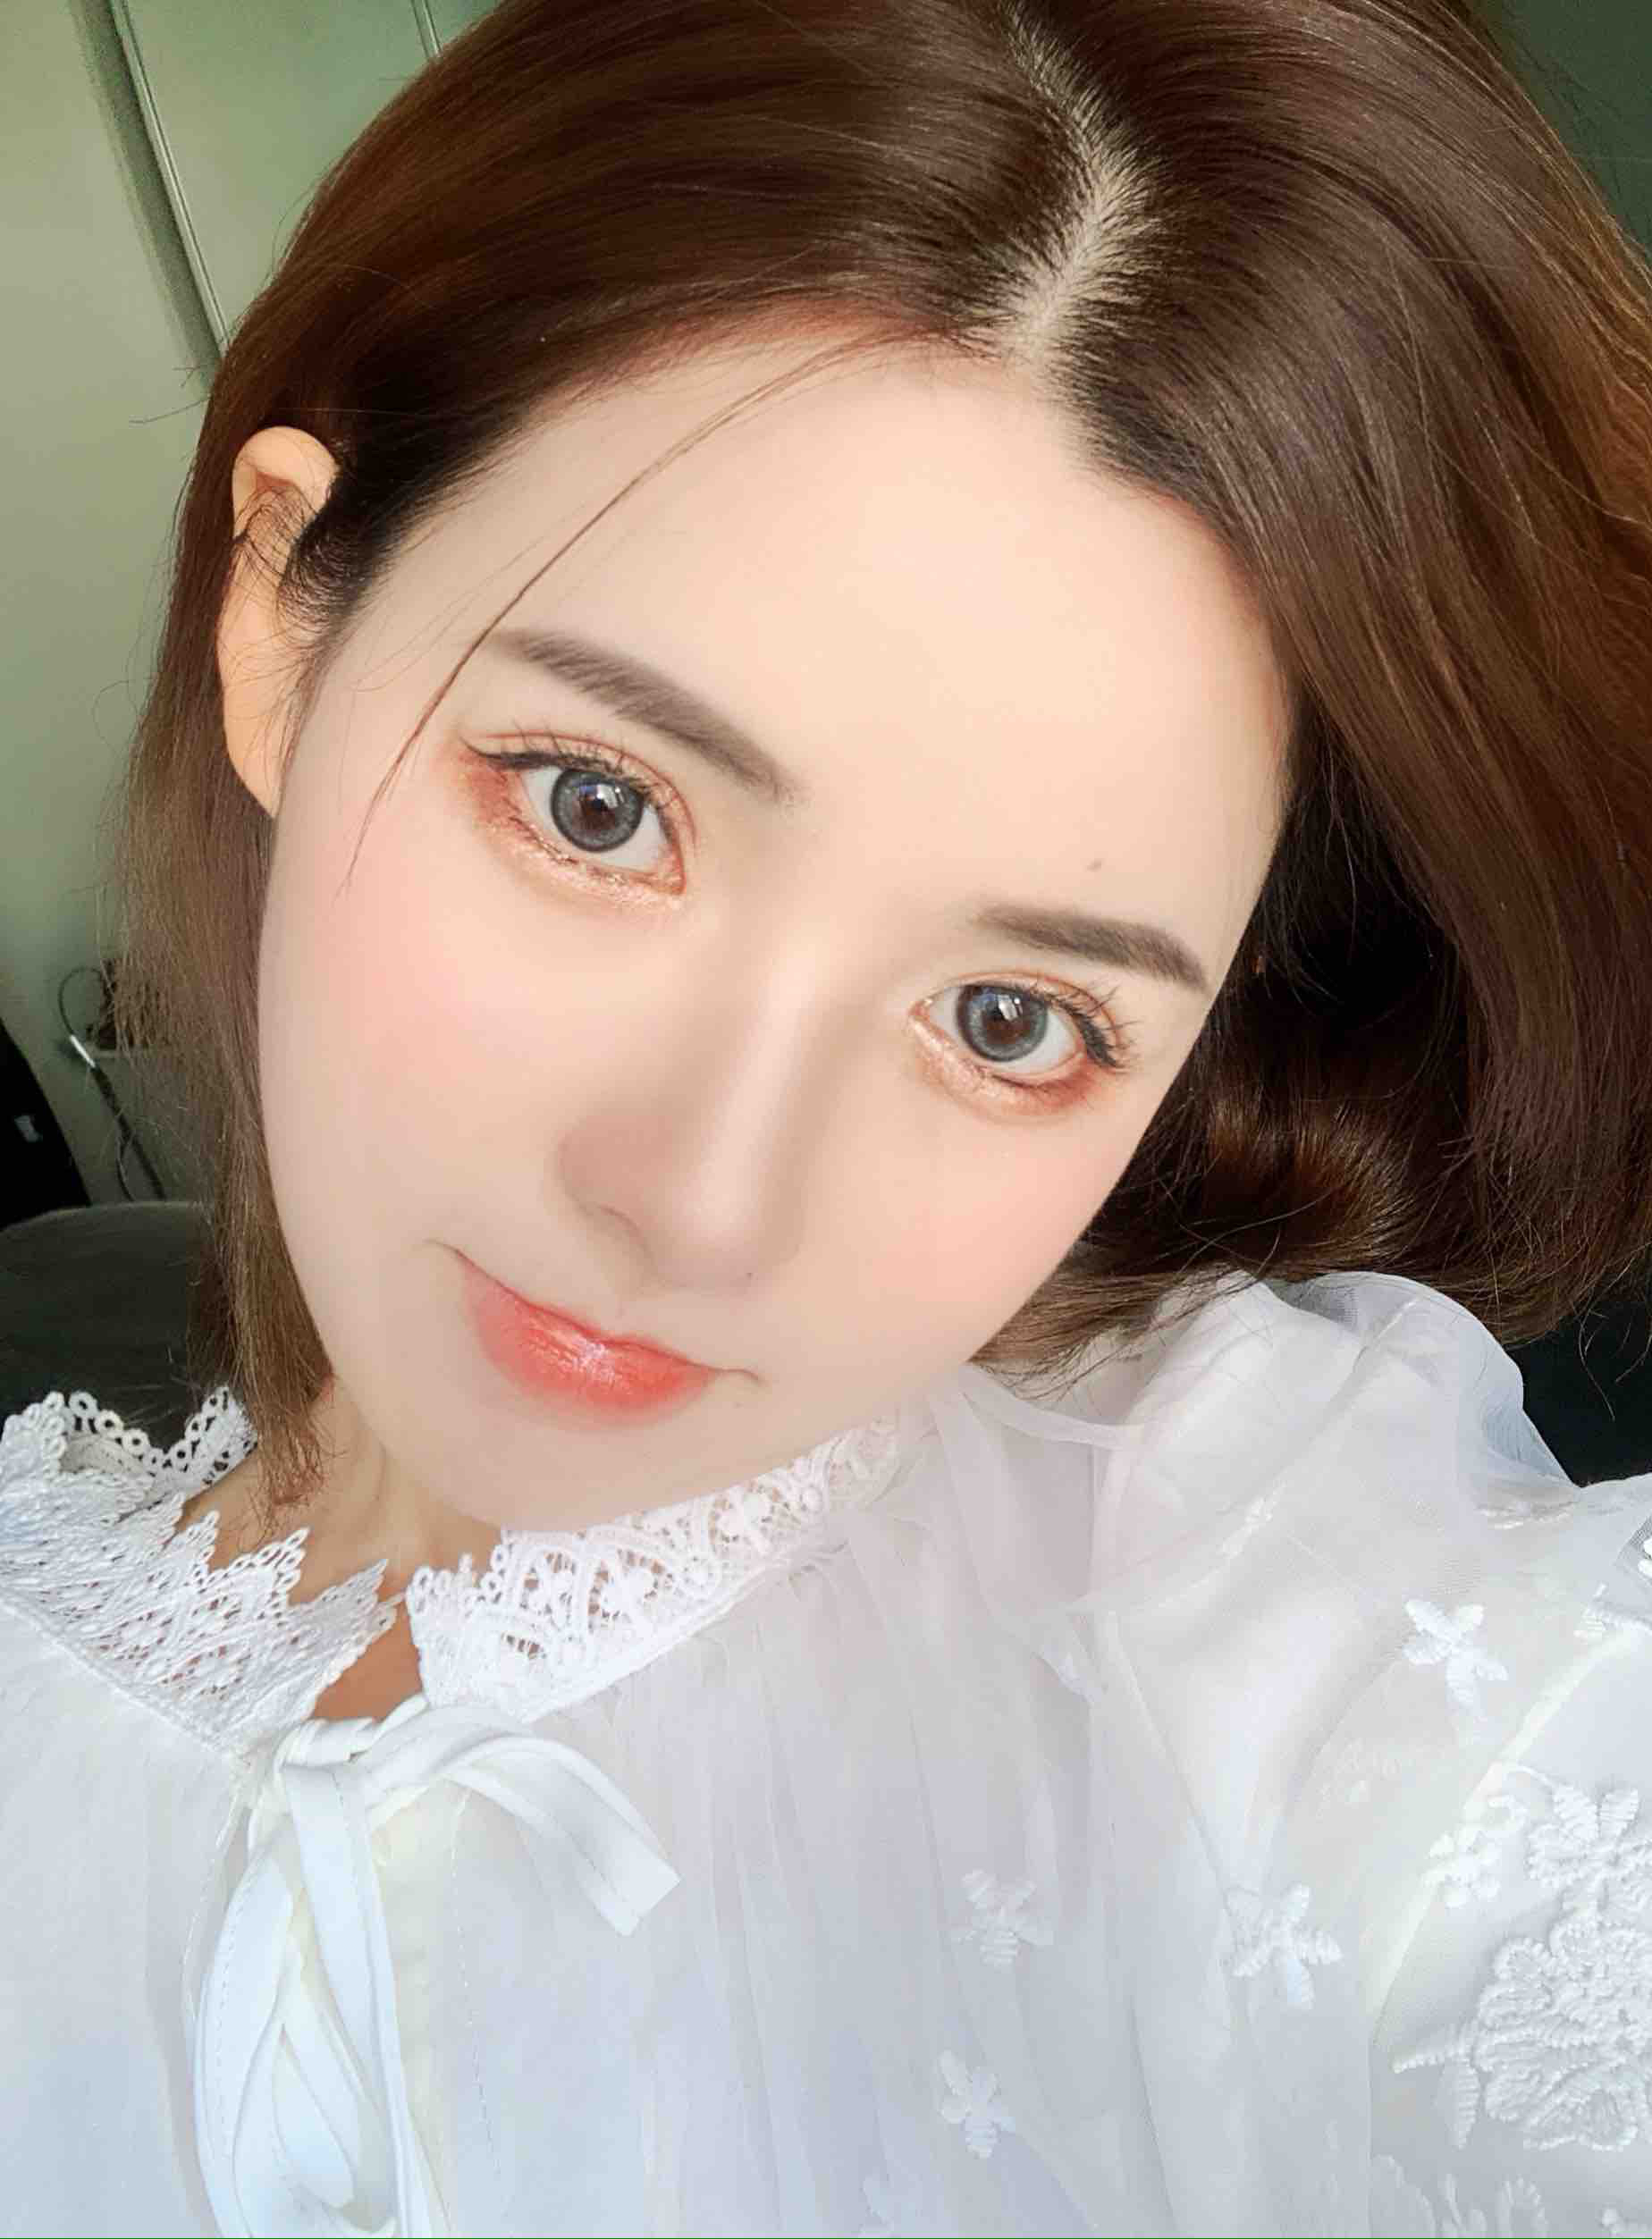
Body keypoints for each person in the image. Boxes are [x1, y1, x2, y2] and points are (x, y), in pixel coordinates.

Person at [3, 0, 1651, 2229]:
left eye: (1009, 1015)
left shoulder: (1237, 1586)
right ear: (284, 620)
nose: (702, 1200)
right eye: (598, 806)